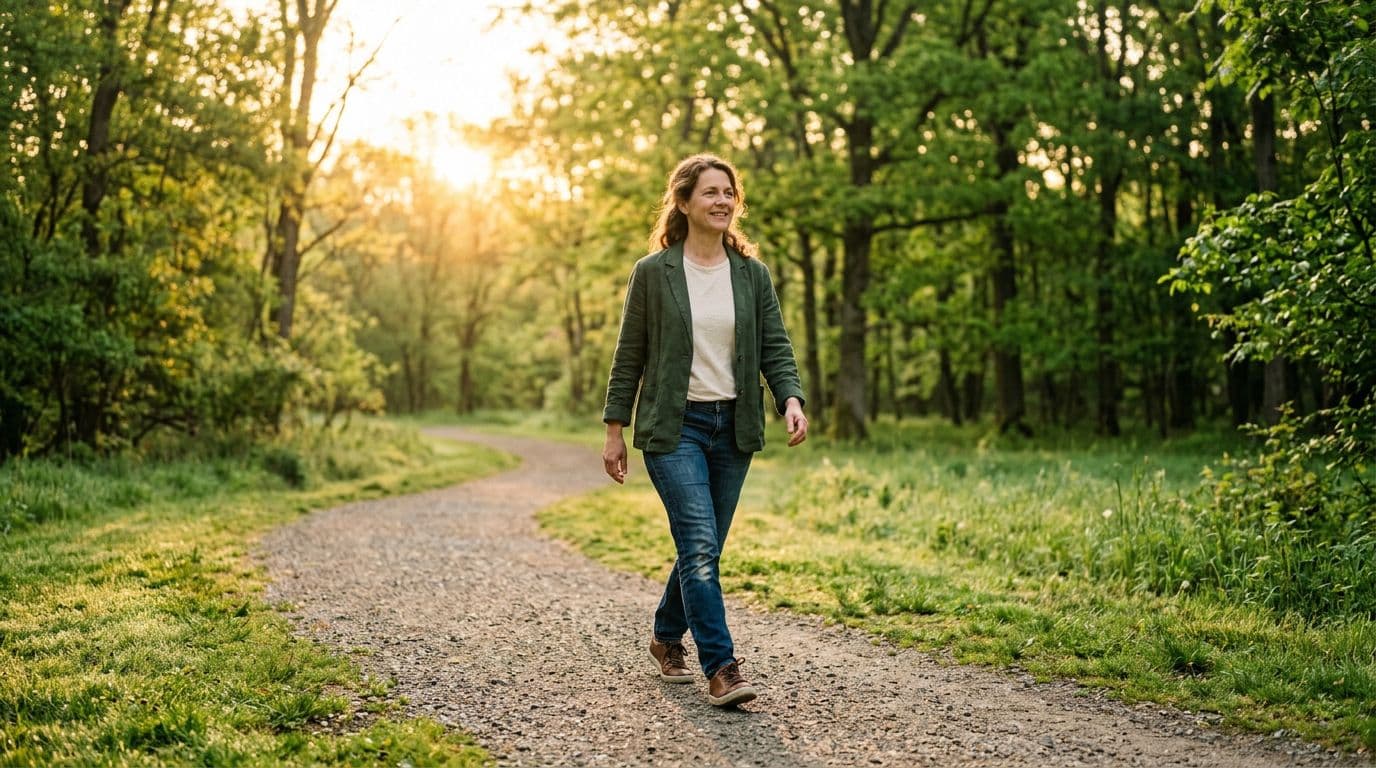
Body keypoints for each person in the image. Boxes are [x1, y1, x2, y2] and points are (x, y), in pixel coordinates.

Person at [601, 153, 808, 707]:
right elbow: (629, 357)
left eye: (728, 193)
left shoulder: (751, 274)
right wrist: (615, 429)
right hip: (675, 428)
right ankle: (722, 668)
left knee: (704, 548)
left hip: (732, 426)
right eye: (710, 192)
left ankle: (666, 638)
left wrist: (790, 397)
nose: (722, 201)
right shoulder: (654, 272)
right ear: (685, 202)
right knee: (698, 545)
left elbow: (776, 346)